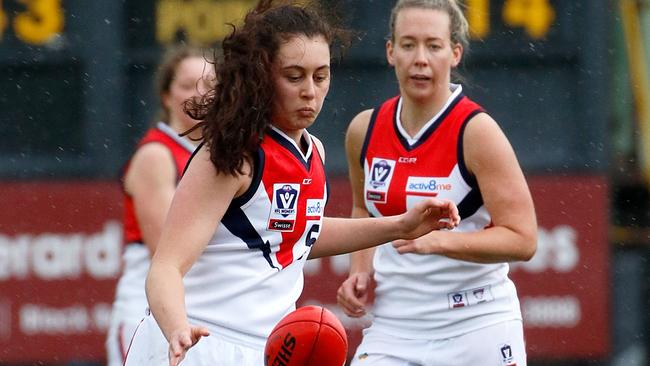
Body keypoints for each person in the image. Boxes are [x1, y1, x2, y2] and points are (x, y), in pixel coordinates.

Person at [122, 1, 460, 365]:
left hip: (268, 350)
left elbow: (300, 235)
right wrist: (177, 328)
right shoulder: (233, 154)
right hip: (198, 343)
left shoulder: (313, 151)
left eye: (321, 75)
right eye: (294, 76)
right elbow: (165, 267)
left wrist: (401, 225)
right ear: (262, 75)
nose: (310, 91)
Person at [336, 0, 538, 365]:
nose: (420, 58)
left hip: (477, 322)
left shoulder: (477, 132)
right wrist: (360, 270)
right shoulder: (363, 129)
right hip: (394, 326)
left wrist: (439, 241)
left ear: (455, 53)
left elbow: (523, 239)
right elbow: (363, 208)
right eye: (409, 44)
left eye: (434, 45)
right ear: (390, 51)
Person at [105, 45, 214, 366]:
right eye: (187, 84)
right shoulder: (157, 155)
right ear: (166, 96)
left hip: (194, 315)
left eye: (210, 84)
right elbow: (168, 248)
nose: (200, 93)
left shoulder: (218, 158)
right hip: (148, 315)